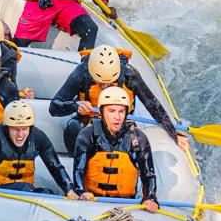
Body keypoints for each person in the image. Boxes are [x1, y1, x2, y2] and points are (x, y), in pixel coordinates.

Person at [48, 46, 187, 155]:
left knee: (133, 139)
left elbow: (153, 105)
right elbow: (54, 107)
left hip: (120, 124)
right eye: (100, 82)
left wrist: (174, 133)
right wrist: (74, 105)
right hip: (90, 122)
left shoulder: (129, 75)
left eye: (109, 82)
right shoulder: (82, 73)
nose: (104, 87)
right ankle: (80, 165)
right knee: (72, 127)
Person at [0, 100, 80, 199]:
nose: (20, 135)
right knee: (25, 188)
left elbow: (55, 165)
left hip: (24, 194)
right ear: (7, 127)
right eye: (15, 129)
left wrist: (69, 189)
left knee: (47, 193)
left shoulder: (38, 136)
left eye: (24, 129)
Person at [71, 86, 159, 212]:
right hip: (91, 201)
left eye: (121, 111)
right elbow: (79, 170)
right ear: (102, 111)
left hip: (125, 204)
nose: (117, 117)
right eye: (111, 111)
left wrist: (150, 197)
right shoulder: (87, 134)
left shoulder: (138, 138)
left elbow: (148, 175)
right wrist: (81, 191)